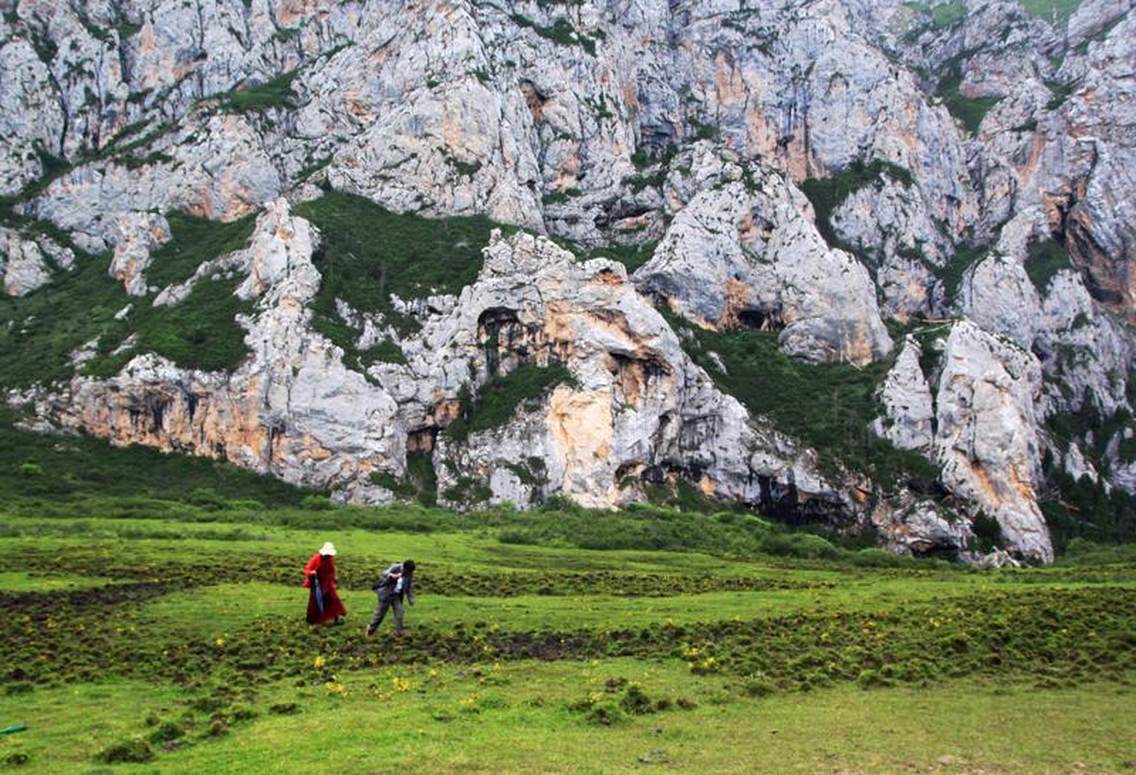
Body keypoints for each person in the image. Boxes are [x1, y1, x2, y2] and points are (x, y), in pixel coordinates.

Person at [366, 559, 415, 637]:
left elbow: (409, 587)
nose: (409, 574)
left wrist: (411, 599)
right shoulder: (396, 567)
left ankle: (399, 632)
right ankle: (371, 629)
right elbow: (385, 572)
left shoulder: (409, 574)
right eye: (408, 572)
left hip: (396, 596)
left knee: (400, 612)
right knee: (380, 614)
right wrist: (392, 575)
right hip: (386, 594)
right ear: (405, 568)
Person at [303, 542, 347, 625]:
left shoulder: (330, 560)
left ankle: (337, 617)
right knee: (316, 602)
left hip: (328, 584)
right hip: (317, 585)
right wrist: (311, 573)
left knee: (333, 600)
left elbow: (332, 571)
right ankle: (314, 619)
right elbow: (307, 569)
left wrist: (333, 580)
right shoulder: (316, 559)